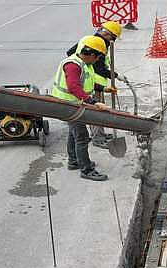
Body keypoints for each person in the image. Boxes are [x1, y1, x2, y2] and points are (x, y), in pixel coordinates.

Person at [52, 35, 109, 181]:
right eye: (96, 57)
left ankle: (74, 161)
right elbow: (73, 86)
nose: (97, 61)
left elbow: (85, 83)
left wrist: (103, 89)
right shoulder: (73, 65)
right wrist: (92, 102)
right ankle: (86, 170)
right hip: (69, 105)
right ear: (89, 54)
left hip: (74, 104)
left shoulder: (84, 64)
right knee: (82, 136)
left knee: (74, 133)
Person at [67, 21, 125, 148]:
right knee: (96, 112)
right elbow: (99, 69)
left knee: (97, 111)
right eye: (114, 37)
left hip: (88, 81)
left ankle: (100, 134)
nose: (113, 41)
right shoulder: (99, 44)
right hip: (94, 82)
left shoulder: (88, 40)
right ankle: (97, 138)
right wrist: (115, 75)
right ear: (108, 34)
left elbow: (69, 52)